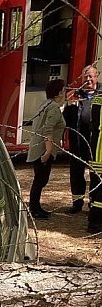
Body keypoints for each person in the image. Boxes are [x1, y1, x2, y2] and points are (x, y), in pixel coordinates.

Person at [63, 65, 102, 213]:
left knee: (95, 173)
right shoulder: (75, 95)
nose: (88, 80)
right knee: (76, 172)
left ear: (96, 76)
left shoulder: (101, 93)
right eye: (85, 77)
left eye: (91, 76)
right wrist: (68, 105)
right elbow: (65, 119)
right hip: (78, 141)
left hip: (97, 143)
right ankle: (77, 203)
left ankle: (94, 202)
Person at [26, 78, 66, 220]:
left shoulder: (45, 104)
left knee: (40, 179)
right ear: (59, 92)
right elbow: (47, 129)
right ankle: (34, 209)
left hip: (37, 147)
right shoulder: (53, 108)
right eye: (63, 90)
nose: (65, 92)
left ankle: (36, 207)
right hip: (43, 149)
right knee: (40, 179)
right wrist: (48, 151)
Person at [87, 91, 102, 233]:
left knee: (95, 185)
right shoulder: (99, 100)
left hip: (96, 149)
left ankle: (93, 216)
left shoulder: (97, 99)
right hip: (100, 151)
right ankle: (95, 221)